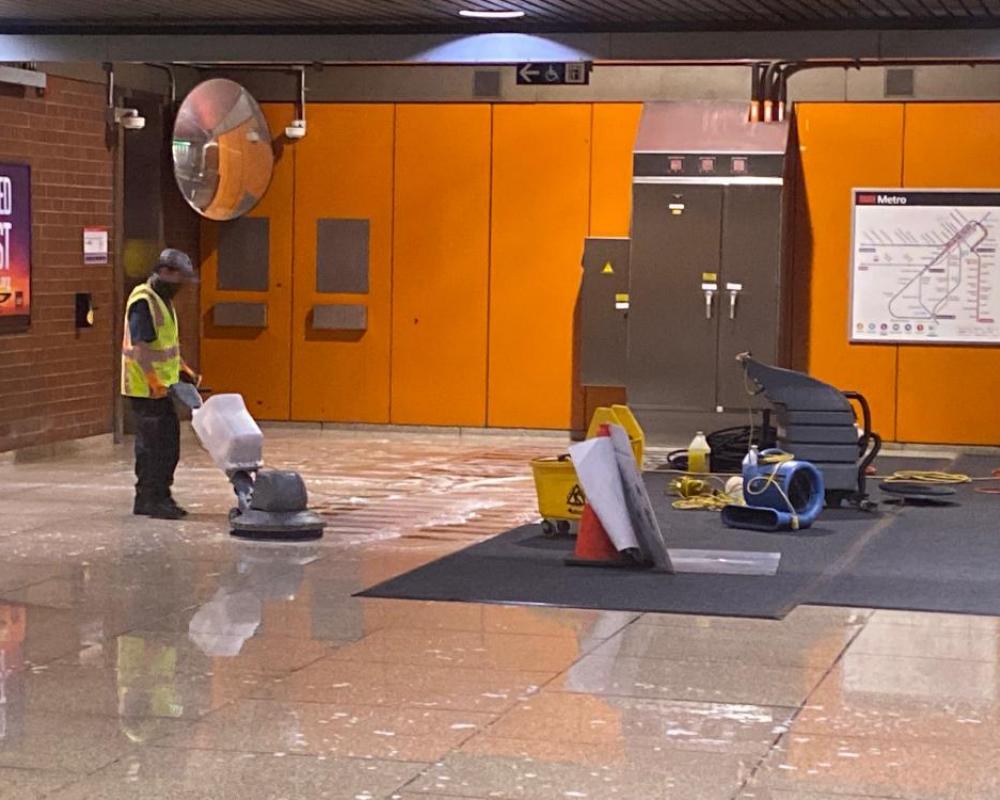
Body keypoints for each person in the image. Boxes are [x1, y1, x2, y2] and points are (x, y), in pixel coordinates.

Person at [121, 248, 201, 520]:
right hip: (145, 389)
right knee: (153, 447)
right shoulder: (143, 300)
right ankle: (148, 498)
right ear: (165, 272)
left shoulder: (162, 299)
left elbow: (165, 346)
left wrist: (182, 369)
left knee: (167, 446)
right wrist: (154, 381)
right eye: (180, 278)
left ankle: (161, 495)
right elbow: (141, 347)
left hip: (163, 387)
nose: (182, 285)